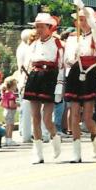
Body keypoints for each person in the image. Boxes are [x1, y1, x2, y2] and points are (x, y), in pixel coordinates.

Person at [63, 0, 96, 162]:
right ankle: (76, 151)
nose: (80, 22)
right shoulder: (72, 38)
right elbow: (66, 59)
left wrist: (83, 8)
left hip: (90, 72)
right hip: (75, 72)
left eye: (83, 19)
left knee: (87, 117)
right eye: (78, 19)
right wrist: (71, 58)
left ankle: (94, 135)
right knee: (74, 114)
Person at [23, 13, 64, 164]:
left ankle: (55, 138)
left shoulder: (57, 44)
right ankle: (38, 152)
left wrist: (60, 85)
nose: (38, 29)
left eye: (41, 26)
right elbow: (28, 64)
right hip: (35, 77)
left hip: (50, 77)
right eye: (37, 26)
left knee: (47, 118)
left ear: (50, 27)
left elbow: (61, 66)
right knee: (35, 116)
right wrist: (23, 82)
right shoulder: (33, 44)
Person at [16, 29, 36, 143]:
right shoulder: (28, 50)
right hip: (28, 79)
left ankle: (24, 132)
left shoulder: (21, 48)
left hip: (23, 78)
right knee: (28, 108)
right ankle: (26, 133)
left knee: (25, 108)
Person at [1, 76, 19, 147]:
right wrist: (17, 104)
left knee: (7, 125)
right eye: (15, 85)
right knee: (11, 126)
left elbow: (2, 103)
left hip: (5, 111)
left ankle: (7, 139)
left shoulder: (5, 93)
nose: (16, 87)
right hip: (10, 112)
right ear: (12, 86)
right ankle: (9, 139)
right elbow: (11, 105)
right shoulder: (11, 95)